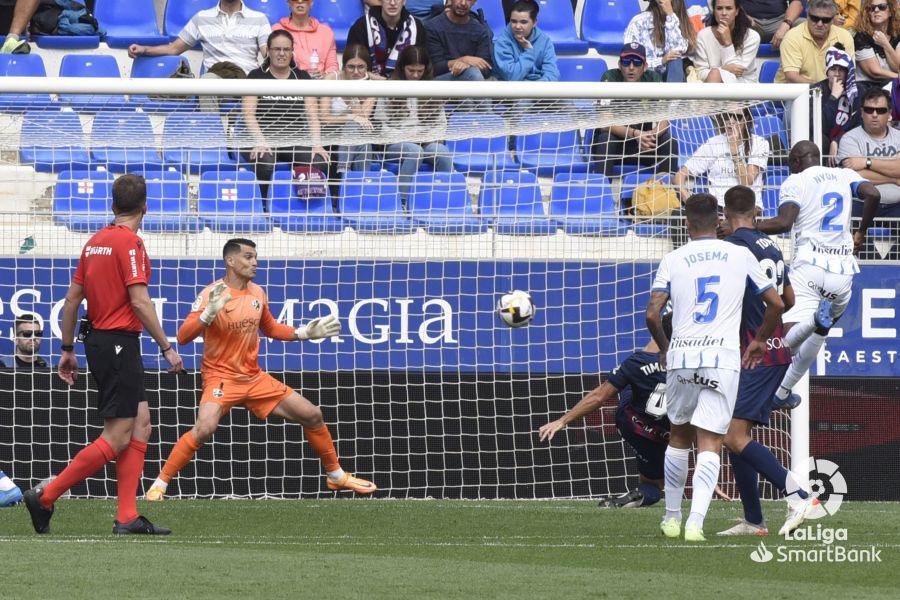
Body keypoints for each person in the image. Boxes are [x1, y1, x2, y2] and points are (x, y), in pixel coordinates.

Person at [144, 239, 376, 501]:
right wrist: (207, 314)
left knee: (312, 414)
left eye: (255, 257)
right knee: (205, 428)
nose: (254, 262)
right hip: (221, 378)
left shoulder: (258, 292)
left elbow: (272, 328)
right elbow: (183, 337)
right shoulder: (212, 294)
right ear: (230, 261)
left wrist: (305, 333)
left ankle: (336, 476)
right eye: (248, 257)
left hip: (254, 378)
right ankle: (159, 485)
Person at [22, 174, 184, 536]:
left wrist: (66, 348)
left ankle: (127, 516)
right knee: (118, 435)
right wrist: (167, 347)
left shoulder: (94, 242)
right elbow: (140, 301)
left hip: (99, 341)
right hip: (117, 343)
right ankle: (47, 495)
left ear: (113, 206)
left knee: (141, 423)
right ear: (145, 207)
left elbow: (71, 300)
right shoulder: (131, 245)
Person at [645, 192, 784, 542]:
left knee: (678, 437)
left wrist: (664, 347)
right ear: (717, 220)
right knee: (711, 441)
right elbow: (776, 304)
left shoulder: (673, 258)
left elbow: (652, 314)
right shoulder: (740, 254)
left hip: (682, 357)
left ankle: (671, 517)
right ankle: (696, 524)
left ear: (688, 224)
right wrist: (759, 340)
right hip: (722, 359)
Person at [717, 185, 816, 537]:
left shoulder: (733, 247)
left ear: (725, 213)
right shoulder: (770, 246)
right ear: (756, 211)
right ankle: (754, 520)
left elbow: (775, 302)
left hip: (755, 354)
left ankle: (800, 496)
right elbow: (787, 299)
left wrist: (757, 334)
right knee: (735, 433)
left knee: (732, 436)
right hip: (775, 351)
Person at [757, 141, 880, 408]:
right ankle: (783, 392)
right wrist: (861, 232)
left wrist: (747, 227)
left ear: (797, 161)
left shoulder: (796, 180)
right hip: (843, 273)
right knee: (820, 332)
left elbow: (784, 223)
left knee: (788, 339)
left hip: (809, 267)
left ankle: (769, 383)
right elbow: (873, 195)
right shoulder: (844, 175)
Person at [539, 315, 672, 509]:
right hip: (663, 434)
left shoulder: (638, 362)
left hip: (631, 423)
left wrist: (562, 420)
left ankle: (635, 497)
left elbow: (599, 396)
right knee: (656, 486)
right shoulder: (697, 370)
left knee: (637, 369)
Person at [241, 30, 329, 207]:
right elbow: (248, 114)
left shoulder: (302, 78)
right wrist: (260, 141)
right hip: (261, 138)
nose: (281, 53)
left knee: (319, 160)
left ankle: (306, 210)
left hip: (294, 138)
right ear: (269, 51)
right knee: (265, 162)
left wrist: (317, 144)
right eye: (277, 49)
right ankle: (264, 206)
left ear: (292, 51)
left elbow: (312, 116)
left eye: (286, 49)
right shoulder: (256, 76)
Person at [377, 46, 453, 202]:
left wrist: (428, 137)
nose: (415, 75)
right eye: (411, 71)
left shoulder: (433, 89)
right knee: (414, 151)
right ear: (402, 68)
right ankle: (402, 201)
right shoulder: (389, 88)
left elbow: (441, 125)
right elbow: (381, 126)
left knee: (442, 152)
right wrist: (404, 136)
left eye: (420, 71)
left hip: (426, 140)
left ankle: (445, 200)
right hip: (394, 143)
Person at [589, 43, 676, 178]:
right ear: (619, 64)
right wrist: (636, 134)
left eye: (636, 62)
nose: (631, 67)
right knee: (605, 139)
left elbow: (665, 120)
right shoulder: (609, 78)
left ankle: (668, 192)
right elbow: (605, 123)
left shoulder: (654, 79)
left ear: (645, 66)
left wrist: (650, 136)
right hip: (617, 147)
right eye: (626, 62)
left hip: (646, 145)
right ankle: (602, 190)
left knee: (669, 140)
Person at [128, 0, 270, 76]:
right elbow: (174, 49)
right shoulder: (201, 17)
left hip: (247, 80)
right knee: (206, 84)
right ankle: (210, 130)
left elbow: (269, 55)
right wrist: (144, 49)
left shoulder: (259, 18)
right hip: (216, 77)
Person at [836, 88, 900, 253]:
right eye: (869, 110)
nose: (874, 114)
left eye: (880, 110)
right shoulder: (849, 138)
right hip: (860, 205)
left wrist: (866, 161)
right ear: (862, 112)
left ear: (889, 113)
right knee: (853, 246)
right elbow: (853, 176)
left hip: (897, 205)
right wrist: (893, 178)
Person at [674, 108, 769, 211]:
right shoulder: (713, 143)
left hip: (748, 208)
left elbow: (746, 182)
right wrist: (688, 200)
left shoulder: (760, 143)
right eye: (727, 116)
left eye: (737, 117)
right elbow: (680, 175)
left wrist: (735, 152)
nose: (731, 121)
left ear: (746, 119)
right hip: (718, 209)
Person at [318, 44, 376, 174]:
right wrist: (351, 116)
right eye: (351, 67)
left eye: (361, 67)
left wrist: (352, 96)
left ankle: (346, 172)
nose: (356, 72)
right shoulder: (331, 79)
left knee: (363, 142)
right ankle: (357, 180)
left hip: (354, 136)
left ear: (367, 68)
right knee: (354, 125)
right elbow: (323, 117)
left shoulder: (371, 87)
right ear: (344, 65)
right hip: (330, 133)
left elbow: (364, 120)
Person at [775, 0, 855, 84]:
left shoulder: (844, 36)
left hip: (831, 91)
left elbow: (848, 72)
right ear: (807, 16)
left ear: (833, 20)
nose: (819, 24)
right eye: (815, 18)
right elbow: (792, 77)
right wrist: (823, 89)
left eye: (825, 20)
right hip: (793, 93)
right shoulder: (792, 37)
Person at [347, 0, 429, 78]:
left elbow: (423, 66)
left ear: (404, 0)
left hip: (404, 87)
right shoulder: (361, 26)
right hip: (368, 86)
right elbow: (351, 66)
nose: (392, 3)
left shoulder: (416, 27)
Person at [624, 0, 696, 82]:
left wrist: (670, 16)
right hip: (647, 78)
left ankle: (673, 94)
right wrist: (661, 61)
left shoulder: (677, 20)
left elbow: (677, 50)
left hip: (672, 78)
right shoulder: (639, 21)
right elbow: (630, 61)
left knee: (675, 59)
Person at [812, 44, 860, 163]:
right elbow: (818, 128)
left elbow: (859, 125)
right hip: (823, 143)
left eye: (841, 69)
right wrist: (833, 98)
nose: (837, 74)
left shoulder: (857, 91)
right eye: (833, 69)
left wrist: (838, 140)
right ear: (827, 71)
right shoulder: (814, 91)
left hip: (848, 141)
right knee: (820, 140)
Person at [693, 0, 761, 84]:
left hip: (744, 86)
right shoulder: (703, 35)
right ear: (714, 11)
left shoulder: (752, 36)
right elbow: (700, 73)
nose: (724, 13)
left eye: (729, 8)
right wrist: (723, 69)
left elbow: (738, 71)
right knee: (715, 74)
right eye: (719, 8)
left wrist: (727, 43)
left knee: (715, 74)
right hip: (713, 84)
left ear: (736, 11)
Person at [425, 0, 493, 81]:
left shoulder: (480, 30)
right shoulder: (432, 27)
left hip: (472, 78)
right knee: (473, 74)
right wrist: (463, 60)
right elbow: (435, 68)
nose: (463, 3)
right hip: (440, 81)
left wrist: (466, 65)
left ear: (474, 2)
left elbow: (487, 69)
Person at [492, 0, 559, 82]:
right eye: (513, 21)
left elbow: (552, 73)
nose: (517, 26)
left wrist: (539, 88)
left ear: (534, 22)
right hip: (511, 91)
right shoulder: (502, 42)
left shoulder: (545, 41)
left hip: (539, 89)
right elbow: (512, 77)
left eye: (523, 22)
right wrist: (529, 52)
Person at [272, 0, 339, 78]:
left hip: (320, 84)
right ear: (288, 3)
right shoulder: (276, 30)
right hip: (289, 84)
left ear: (311, 3)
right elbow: (273, 65)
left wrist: (325, 76)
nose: (300, 1)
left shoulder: (326, 32)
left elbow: (332, 66)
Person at [852, 0, 900, 93]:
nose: (876, 10)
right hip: (867, 87)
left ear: (890, 11)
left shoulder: (897, 35)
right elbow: (874, 72)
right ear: (867, 13)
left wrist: (885, 44)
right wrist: (898, 76)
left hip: (891, 85)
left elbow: (897, 67)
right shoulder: (861, 36)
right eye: (872, 8)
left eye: (882, 7)